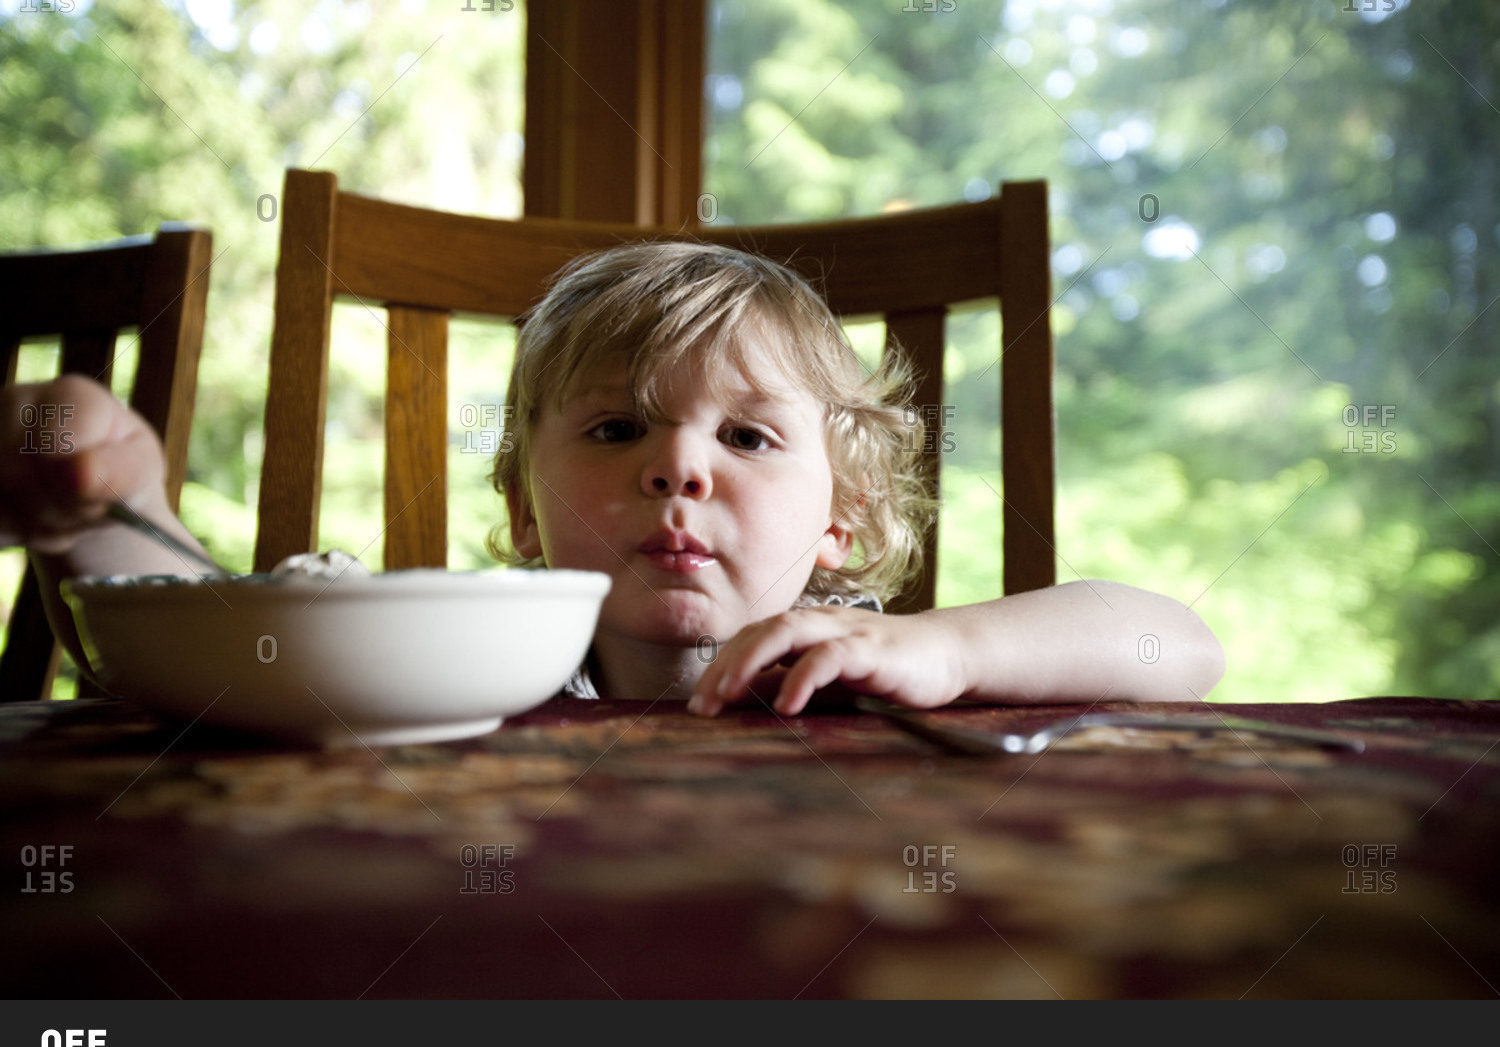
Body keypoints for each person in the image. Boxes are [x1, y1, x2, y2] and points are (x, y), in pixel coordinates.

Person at [1, 240, 1224, 714]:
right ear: (526, 514)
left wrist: (950, 651)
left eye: (747, 439)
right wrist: (106, 515)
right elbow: (256, 665)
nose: (677, 468)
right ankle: (111, 499)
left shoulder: (854, 660)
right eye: (614, 432)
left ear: (842, 525)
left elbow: (1181, 646)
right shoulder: (476, 667)